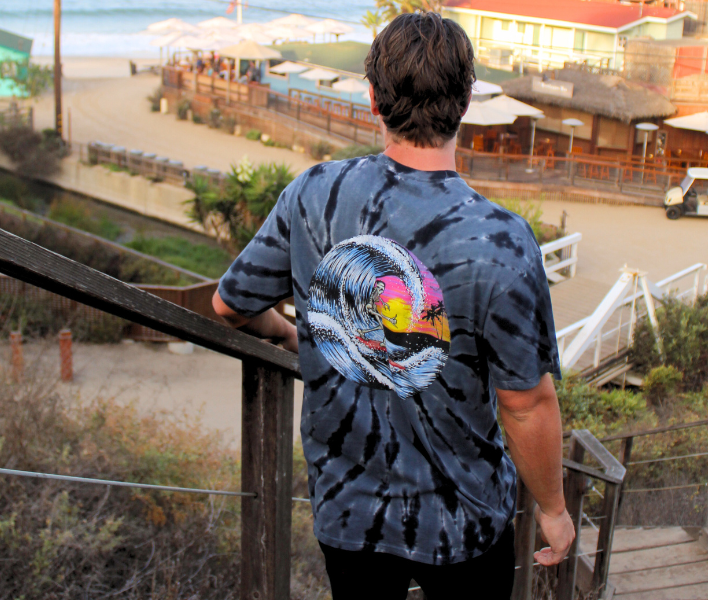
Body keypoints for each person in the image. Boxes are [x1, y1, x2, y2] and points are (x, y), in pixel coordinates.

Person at [210, 12, 573, 599]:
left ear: (374, 99)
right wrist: (553, 509)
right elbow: (525, 402)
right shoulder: (501, 240)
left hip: (349, 511)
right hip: (467, 518)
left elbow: (230, 305)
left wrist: (288, 333)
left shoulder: (314, 193)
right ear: (465, 101)